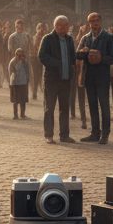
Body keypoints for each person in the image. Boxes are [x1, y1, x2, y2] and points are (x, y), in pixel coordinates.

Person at [76, 12, 113, 144]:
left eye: (97, 20)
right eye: (92, 21)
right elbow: (77, 55)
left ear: (101, 21)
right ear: (89, 23)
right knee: (92, 105)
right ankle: (95, 133)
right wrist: (84, 53)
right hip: (89, 76)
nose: (95, 22)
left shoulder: (109, 37)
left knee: (104, 105)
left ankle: (105, 134)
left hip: (103, 76)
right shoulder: (85, 38)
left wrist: (101, 58)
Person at [39, 15, 77, 144]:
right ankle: (48, 135)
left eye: (66, 25)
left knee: (65, 108)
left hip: (66, 79)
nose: (63, 28)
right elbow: (42, 56)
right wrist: (57, 63)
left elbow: (73, 57)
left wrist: (73, 66)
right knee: (49, 108)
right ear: (55, 26)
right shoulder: (48, 39)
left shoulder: (69, 40)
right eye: (61, 25)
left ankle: (64, 135)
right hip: (52, 79)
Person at [8, 48, 30, 119]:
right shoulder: (13, 62)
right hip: (16, 83)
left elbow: (28, 71)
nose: (21, 57)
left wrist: (28, 79)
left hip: (24, 82)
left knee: (23, 100)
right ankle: (15, 114)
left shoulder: (25, 62)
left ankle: (22, 114)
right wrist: (12, 81)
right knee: (16, 100)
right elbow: (11, 72)